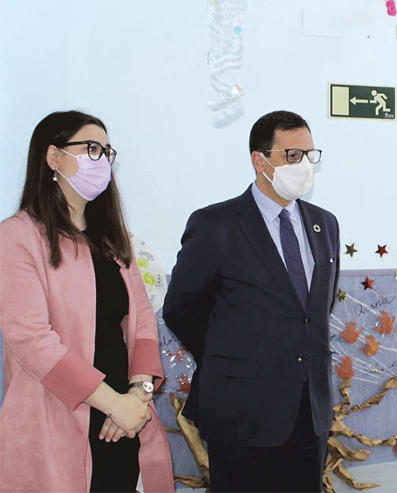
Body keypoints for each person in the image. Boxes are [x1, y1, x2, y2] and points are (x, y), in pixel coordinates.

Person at [163, 110, 340, 493]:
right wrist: (232, 354)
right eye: (292, 155)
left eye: (310, 155)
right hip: (241, 411)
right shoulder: (216, 225)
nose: (304, 165)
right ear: (260, 161)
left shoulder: (324, 223)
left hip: (309, 413)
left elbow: (315, 311)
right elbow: (181, 309)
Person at [0, 111, 174, 493]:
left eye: (106, 151)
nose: (102, 160)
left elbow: (143, 322)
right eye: (91, 148)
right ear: (53, 157)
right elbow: (31, 340)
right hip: (59, 416)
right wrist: (113, 403)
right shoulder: (17, 237)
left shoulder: (114, 240)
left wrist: (138, 395)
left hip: (123, 422)